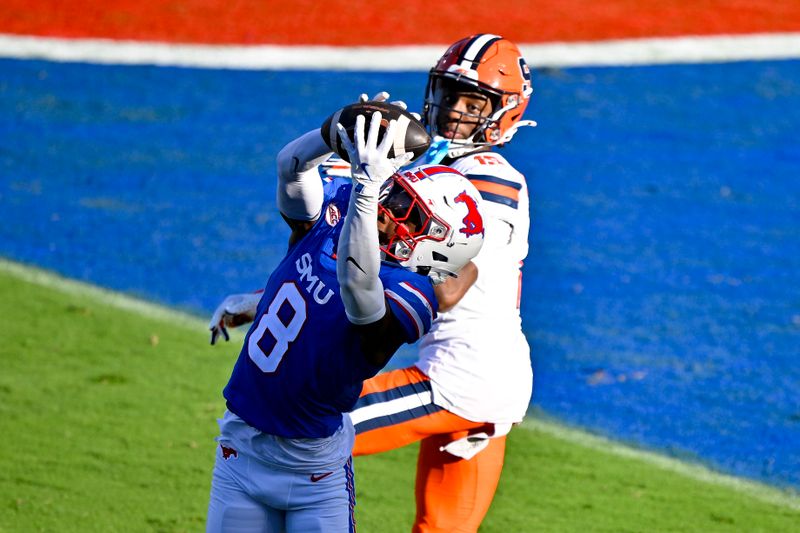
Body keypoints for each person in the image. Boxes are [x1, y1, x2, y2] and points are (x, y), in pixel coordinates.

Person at [210, 33, 534, 532]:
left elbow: (446, 283)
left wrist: (371, 180)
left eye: (473, 102)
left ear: (504, 111)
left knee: (297, 424)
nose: (453, 112)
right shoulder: (433, 169)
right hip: (486, 377)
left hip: (459, 375)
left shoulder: (489, 176)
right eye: (450, 95)